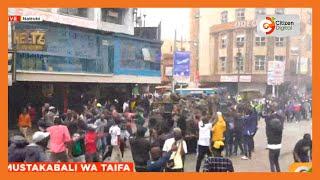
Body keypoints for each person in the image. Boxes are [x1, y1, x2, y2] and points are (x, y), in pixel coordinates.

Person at [264, 103, 284, 172]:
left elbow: (266, 119)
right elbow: (281, 118)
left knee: (271, 162)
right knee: (276, 161)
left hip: (271, 144)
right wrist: (275, 113)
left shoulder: (269, 122)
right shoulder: (280, 124)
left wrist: (270, 114)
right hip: (278, 144)